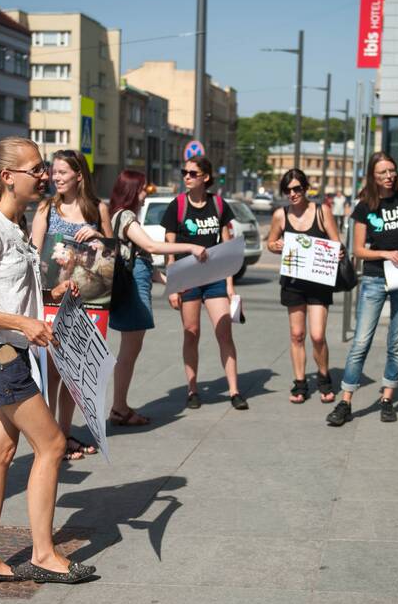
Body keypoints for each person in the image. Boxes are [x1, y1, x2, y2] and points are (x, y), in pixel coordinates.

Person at [0, 137, 96, 585]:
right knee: (51, 445)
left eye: (44, 167)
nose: (45, 175)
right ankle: (45, 555)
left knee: (1, 453)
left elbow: (10, 291)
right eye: (36, 169)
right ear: (7, 176)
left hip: (8, 351)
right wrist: (23, 324)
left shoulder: (17, 224)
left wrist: (52, 295)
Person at [327, 152, 398, 426]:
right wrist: (385, 254)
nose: (389, 176)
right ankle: (345, 402)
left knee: (397, 341)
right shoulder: (364, 206)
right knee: (360, 342)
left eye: (391, 170)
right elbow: (357, 251)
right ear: (373, 176)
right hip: (375, 279)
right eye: (383, 173)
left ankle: (388, 398)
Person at [30, 149, 112, 459]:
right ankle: (51, 439)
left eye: (62, 172)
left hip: (88, 303)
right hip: (53, 300)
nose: (55, 177)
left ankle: (64, 433)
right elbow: (34, 255)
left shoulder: (96, 209)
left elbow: (112, 256)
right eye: (54, 172)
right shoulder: (46, 209)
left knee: (74, 374)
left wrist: (99, 239)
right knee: (52, 372)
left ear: (79, 175)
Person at [107, 170, 207, 425]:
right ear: (131, 190)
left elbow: (143, 263)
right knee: (129, 352)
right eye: (142, 189)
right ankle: (119, 408)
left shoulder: (121, 215)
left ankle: (120, 405)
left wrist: (171, 282)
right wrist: (190, 247)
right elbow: (151, 248)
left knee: (130, 350)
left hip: (135, 286)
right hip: (132, 292)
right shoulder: (126, 216)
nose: (144, 194)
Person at [162, 156, 247, 411]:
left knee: (224, 332)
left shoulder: (219, 205)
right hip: (187, 279)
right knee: (191, 333)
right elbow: (169, 250)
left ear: (205, 177)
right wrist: (173, 287)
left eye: (192, 173)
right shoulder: (176, 205)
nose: (186, 176)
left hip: (215, 278)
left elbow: (228, 248)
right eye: (184, 172)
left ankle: (234, 391)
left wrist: (230, 286)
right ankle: (193, 389)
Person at [265, 168, 342, 404]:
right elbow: (270, 241)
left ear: (305, 188)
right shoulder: (281, 214)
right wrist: (275, 245)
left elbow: (337, 242)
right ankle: (300, 383)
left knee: (317, 336)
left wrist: (338, 252)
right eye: (288, 190)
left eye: (297, 188)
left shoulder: (322, 211)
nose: (293, 194)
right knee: (297, 335)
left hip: (318, 280)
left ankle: (323, 377)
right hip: (293, 281)